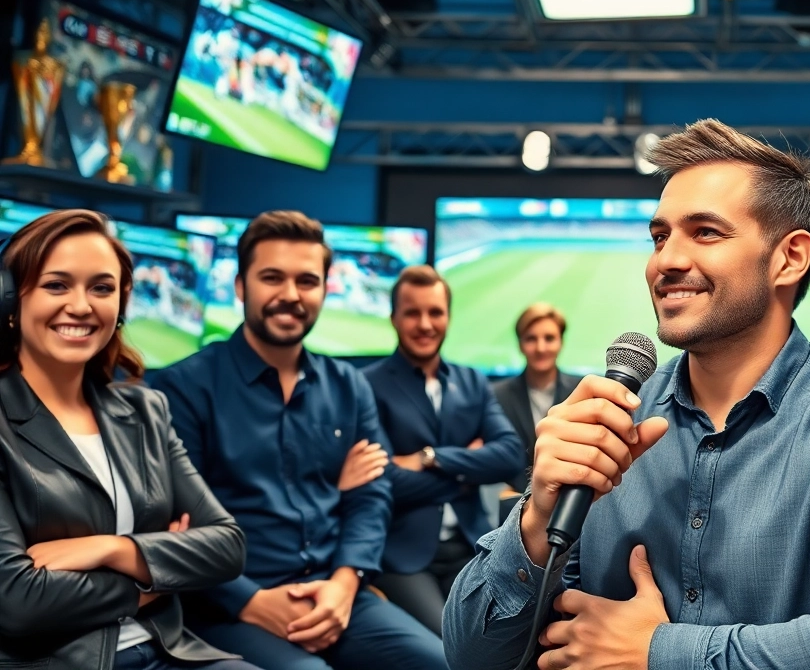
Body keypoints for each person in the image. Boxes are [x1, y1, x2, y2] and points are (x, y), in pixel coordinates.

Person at [443, 118, 810, 670]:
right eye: (660, 236)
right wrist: (537, 518)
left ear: (791, 257)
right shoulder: (611, 421)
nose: (666, 261)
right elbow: (472, 655)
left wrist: (656, 652)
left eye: (705, 232)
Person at [150, 211, 445, 670]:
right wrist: (251, 602)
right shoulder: (184, 389)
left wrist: (345, 584)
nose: (290, 295)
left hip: (337, 593)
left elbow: (371, 497)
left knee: (443, 662)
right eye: (272, 277)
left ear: (325, 289)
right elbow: (179, 524)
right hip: (228, 606)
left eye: (306, 281)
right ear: (240, 286)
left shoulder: (347, 385)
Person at [0, 209, 258, 670]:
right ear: (10, 304)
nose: (81, 306)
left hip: (169, 648)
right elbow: (16, 601)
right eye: (56, 285)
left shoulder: (145, 411)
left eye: (101, 288)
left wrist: (114, 548)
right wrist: (153, 579)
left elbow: (227, 546)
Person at [361, 265, 524, 633]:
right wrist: (467, 475)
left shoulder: (471, 381)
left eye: (435, 312)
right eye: (412, 313)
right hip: (405, 555)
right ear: (394, 319)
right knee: (451, 645)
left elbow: (510, 454)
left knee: (509, 639)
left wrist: (430, 458)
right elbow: (385, 480)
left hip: (473, 545)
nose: (425, 324)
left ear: (448, 316)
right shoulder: (366, 385)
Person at [493, 302, 581, 491]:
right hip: (513, 501)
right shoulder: (496, 395)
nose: (541, 348)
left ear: (561, 342)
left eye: (549, 338)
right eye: (531, 339)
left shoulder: (580, 392)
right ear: (520, 344)